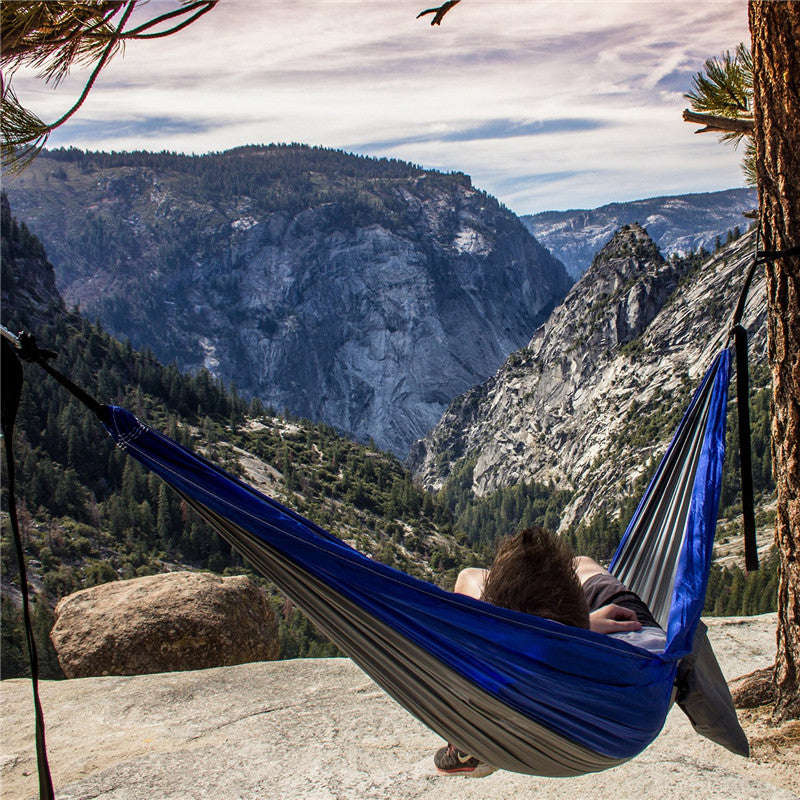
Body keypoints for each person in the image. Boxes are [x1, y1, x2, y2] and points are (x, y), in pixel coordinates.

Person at [434, 525, 666, 777]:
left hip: (533, 659)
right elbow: (688, 650)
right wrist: (582, 629)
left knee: (469, 577)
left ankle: (468, 747)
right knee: (582, 563)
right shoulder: (649, 648)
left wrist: (585, 625)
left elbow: (529, 638)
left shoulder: (496, 660)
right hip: (619, 677)